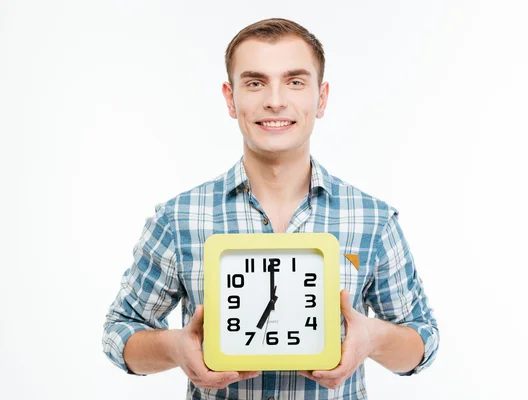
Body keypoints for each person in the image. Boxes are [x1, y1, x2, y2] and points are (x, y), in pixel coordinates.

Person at [102, 17, 439, 399]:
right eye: (255, 82)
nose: (275, 100)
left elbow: (422, 339)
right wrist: (175, 348)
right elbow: (120, 330)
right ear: (231, 99)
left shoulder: (373, 220)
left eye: (295, 81)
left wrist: (374, 339)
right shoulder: (179, 218)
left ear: (321, 97)